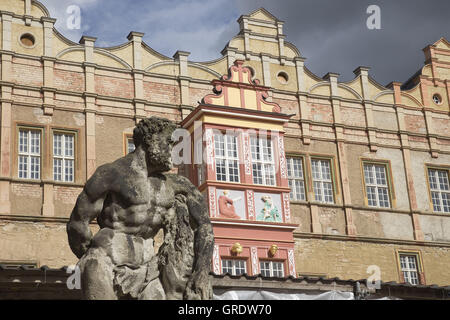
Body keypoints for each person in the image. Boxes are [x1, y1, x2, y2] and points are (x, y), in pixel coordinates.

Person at [66, 117, 214, 300]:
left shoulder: (176, 185)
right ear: (151, 139)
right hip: (107, 264)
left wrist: (201, 271)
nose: (173, 151)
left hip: (148, 271)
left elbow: (204, 226)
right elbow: (77, 224)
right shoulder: (111, 174)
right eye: (169, 142)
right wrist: (92, 254)